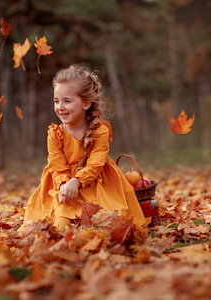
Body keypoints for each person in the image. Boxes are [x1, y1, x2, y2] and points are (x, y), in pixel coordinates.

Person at [21, 64, 146, 231]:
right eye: (56, 101)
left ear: (86, 104)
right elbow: (56, 165)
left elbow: (96, 164)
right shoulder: (55, 133)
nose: (60, 107)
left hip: (96, 184)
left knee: (107, 224)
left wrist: (77, 181)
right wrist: (66, 185)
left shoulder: (99, 131)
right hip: (63, 187)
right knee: (59, 225)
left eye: (67, 101)